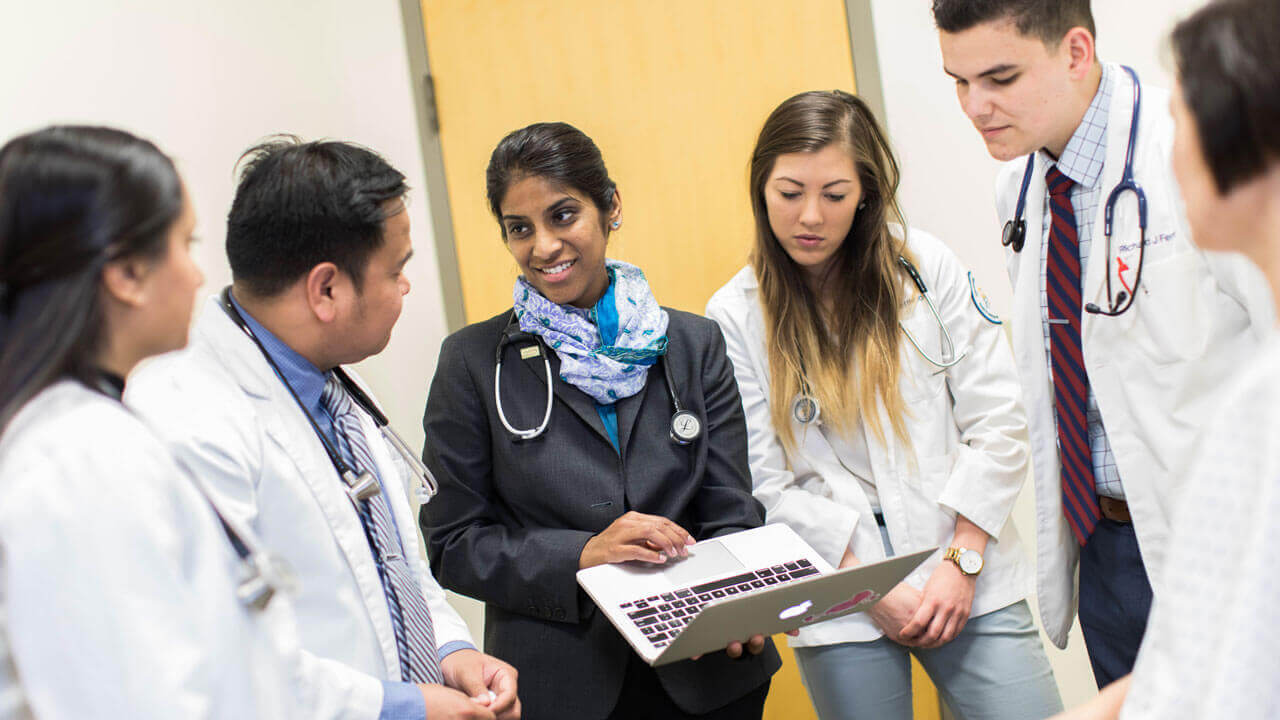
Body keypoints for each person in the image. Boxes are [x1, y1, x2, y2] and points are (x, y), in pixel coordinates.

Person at [933, 0, 1273, 686]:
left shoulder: (1188, 150)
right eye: (959, 82)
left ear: (1076, 52)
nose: (976, 106)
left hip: (1222, 534)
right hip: (1105, 546)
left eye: (1000, 77)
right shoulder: (1019, 188)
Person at [126, 137, 519, 720]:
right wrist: (404, 707)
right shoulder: (189, 422)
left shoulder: (326, 383)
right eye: (397, 269)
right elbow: (226, 656)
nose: (405, 286)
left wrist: (451, 650)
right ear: (327, 289)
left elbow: (394, 569)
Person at [705, 90, 1062, 720]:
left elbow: (1000, 420)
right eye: (789, 193)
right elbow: (762, 481)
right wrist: (868, 588)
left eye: (834, 195)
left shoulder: (926, 269)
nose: (809, 216)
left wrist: (962, 558)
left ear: (866, 192)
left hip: (965, 566)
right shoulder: (734, 315)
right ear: (761, 189)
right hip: (839, 589)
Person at [420, 122, 780, 720]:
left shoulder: (692, 344)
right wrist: (583, 553)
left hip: (705, 672)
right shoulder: (473, 363)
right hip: (561, 685)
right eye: (519, 229)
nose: (543, 246)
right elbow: (452, 542)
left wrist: (736, 602)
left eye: (563, 216)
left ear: (610, 206)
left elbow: (730, 507)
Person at [0, 126, 297, 717]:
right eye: (185, 245)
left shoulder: (89, 430)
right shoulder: (80, 457)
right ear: (126, 274)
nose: (195, 276)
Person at [1050, 1, 1280, 717]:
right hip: (1114, 544)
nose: (1165, 147)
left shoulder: (1259, 405)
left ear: (1241, 132)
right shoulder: (1257, 399)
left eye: (1178, 119)